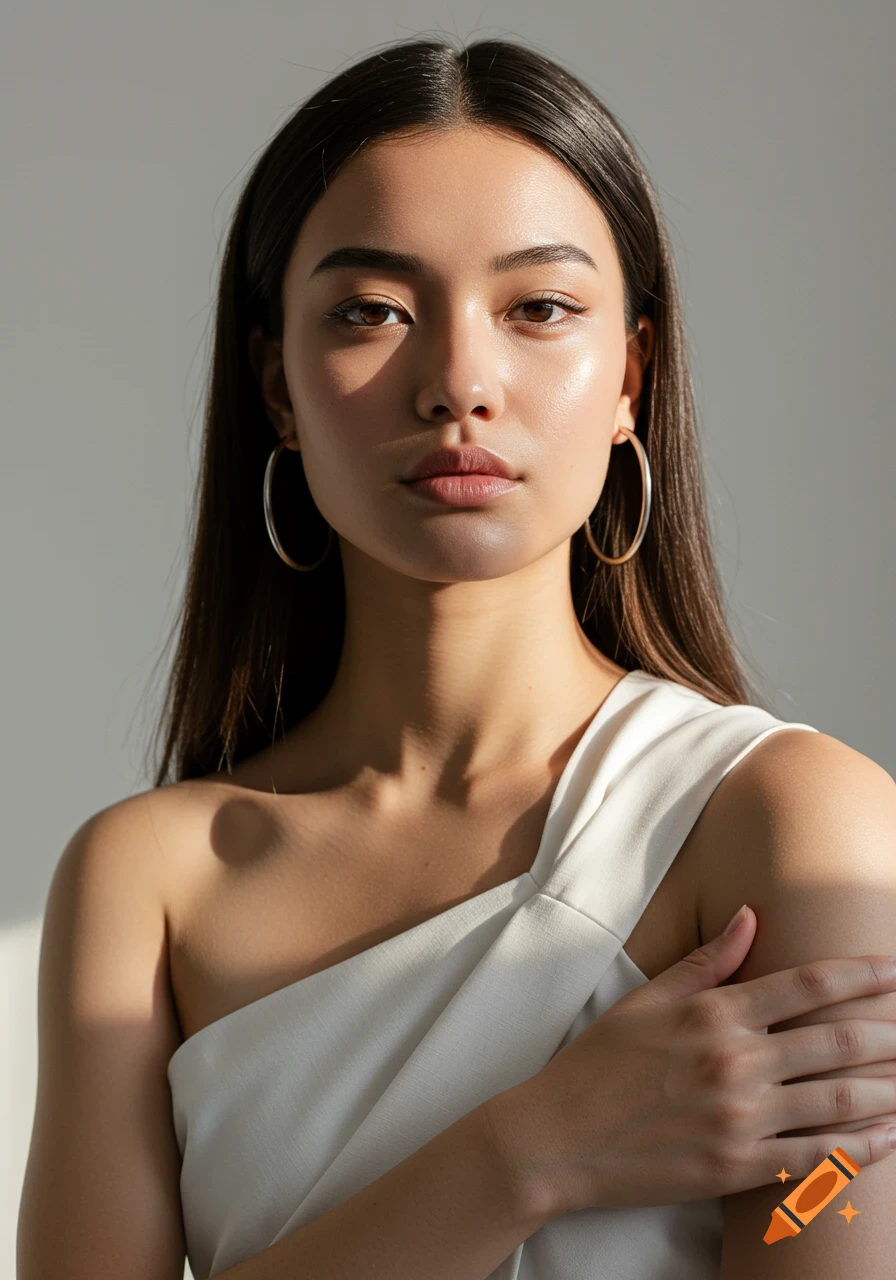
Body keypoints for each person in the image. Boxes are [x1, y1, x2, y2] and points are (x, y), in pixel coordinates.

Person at [18, 35, 896, 1280]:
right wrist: (527, 1153)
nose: (457, 384)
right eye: (372, 311)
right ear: (276, 386)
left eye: (538, 308)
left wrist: (811, 1191)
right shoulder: (147, 880)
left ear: (629, 376)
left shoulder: (786, 821)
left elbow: (831, 1196)